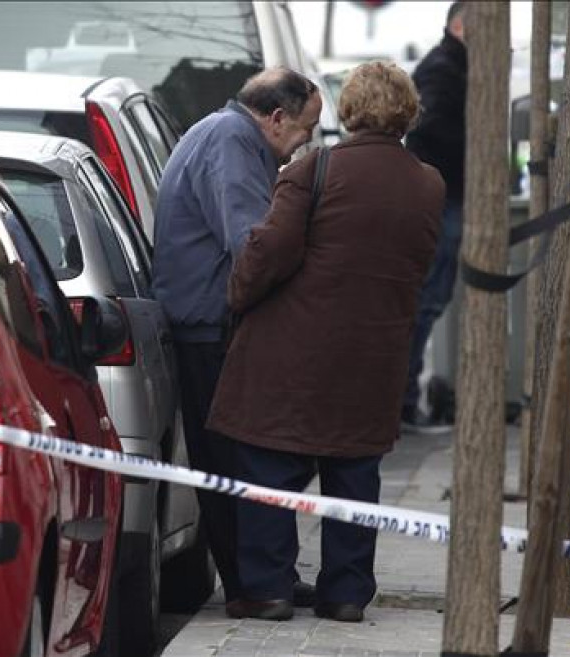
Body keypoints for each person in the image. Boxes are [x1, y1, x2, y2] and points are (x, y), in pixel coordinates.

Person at [207, 61, 445, 622]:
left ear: (350, 109)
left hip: (295, 351)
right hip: (376, 353)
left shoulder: (314, 170)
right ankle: (345, 593)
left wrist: (237, 296)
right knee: (354, 473)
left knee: (270, 464)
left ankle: (267, 588)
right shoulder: (428, 184)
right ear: (407, 113)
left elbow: (267, 254)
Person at [151, 68, 322, 608]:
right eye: (306, 130)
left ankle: (265, 575)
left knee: (242, 457)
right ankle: (252, 586)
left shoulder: (222, 133)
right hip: (209, 329)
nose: (306, 144)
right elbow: (252, 243)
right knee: (233, 461)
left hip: (209, 323)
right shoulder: (231, 142)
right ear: (276, 118)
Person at [401, 0, 467, 432]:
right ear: (461, 26)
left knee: (429, 302)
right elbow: (429, 127)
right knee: (426, 302)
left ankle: (404, 400)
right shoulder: (444, 69)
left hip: (445, 193)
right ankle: (403, 402)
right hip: (442, 196)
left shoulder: (448, 65)